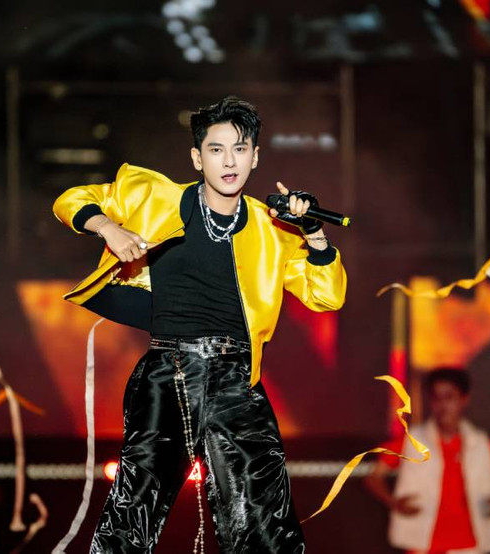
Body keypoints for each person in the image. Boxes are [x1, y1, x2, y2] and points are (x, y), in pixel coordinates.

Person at [52, 96, 347, 553]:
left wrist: (314, 232)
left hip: (237, 381)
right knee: (135, 509)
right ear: (197, 157)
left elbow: (326, 296)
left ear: (255, 157)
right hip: (169, 370)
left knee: (263, 520)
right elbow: (70, 199)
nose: (229, 161)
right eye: (216, 149)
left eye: (240, 149)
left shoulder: (273, 230)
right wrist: (108, 228)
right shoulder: (157, 197)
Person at [364, 368, 490, 554]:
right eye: (436, 398)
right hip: (423, 544)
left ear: (464, 399)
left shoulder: (482, 445)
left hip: (470, 546)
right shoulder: (412, 441)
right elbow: (374, 477)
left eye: (449, 397)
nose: (442, 405)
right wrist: (393, 502)